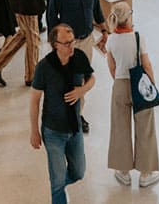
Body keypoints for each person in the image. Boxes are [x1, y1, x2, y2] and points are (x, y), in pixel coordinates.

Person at [30, 24, 95, 204]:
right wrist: (34, 131)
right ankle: (58, 188)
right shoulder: (44, 67)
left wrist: (82, 90)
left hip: (74, 129)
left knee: (78, 172)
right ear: (55, 44)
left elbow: (91, 78)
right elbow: (34, 100)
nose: (71, 46)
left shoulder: (79, 57)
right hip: (53, 132)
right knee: (57, 183)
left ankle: (59, 183)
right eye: (66, 43)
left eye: (72, 41)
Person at [47, 0, 108, 134]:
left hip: (87, 40)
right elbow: (51, 17)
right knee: (72, 81)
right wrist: (57, 44)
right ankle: (73, 116)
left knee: (82, 80)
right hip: (69, 45)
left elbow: (96, 8)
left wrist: (104, 30)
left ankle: (76, 114)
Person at [106, 1, 159, 188]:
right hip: (139, 85)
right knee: (145, 127)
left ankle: (123, 171)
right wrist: (152, 84)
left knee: (120, 127)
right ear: (128, 17)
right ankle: (146, 173)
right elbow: (146, 64)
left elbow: (111, 68)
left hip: (120, 84)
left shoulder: (111, 40)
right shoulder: (138, 37)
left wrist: (120, 81)